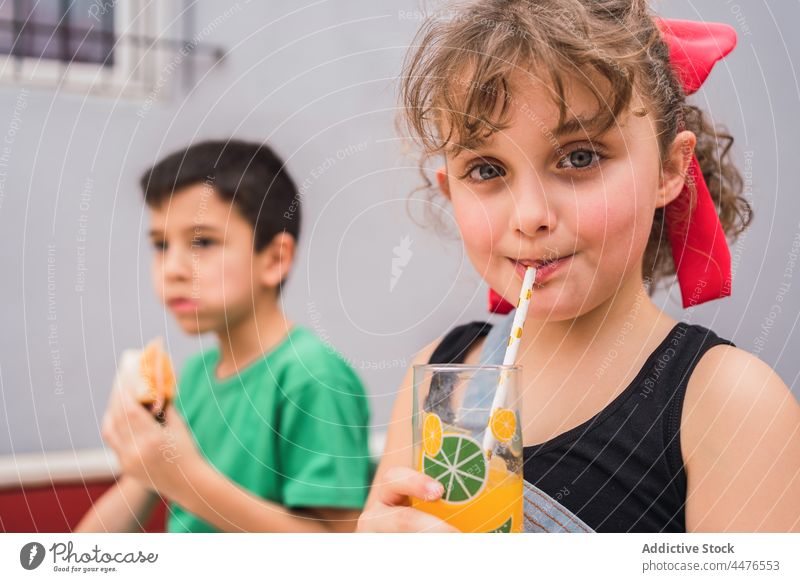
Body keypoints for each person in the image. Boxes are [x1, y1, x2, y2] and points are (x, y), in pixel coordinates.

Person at [358, 0, 800, 532]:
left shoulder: (728, 403)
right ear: (450, 192)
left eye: (580, 157)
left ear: (667, 169)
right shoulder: (440, 377)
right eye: (486, 168)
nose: (531, 216)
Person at [77, 140, 371, 533]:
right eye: (161, 245)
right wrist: (142, 458)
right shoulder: (196, 376)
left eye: (202, 242)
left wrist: (183, 477)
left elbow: (339, 553)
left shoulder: (312, 376)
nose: (173, 269)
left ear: (275, 259)